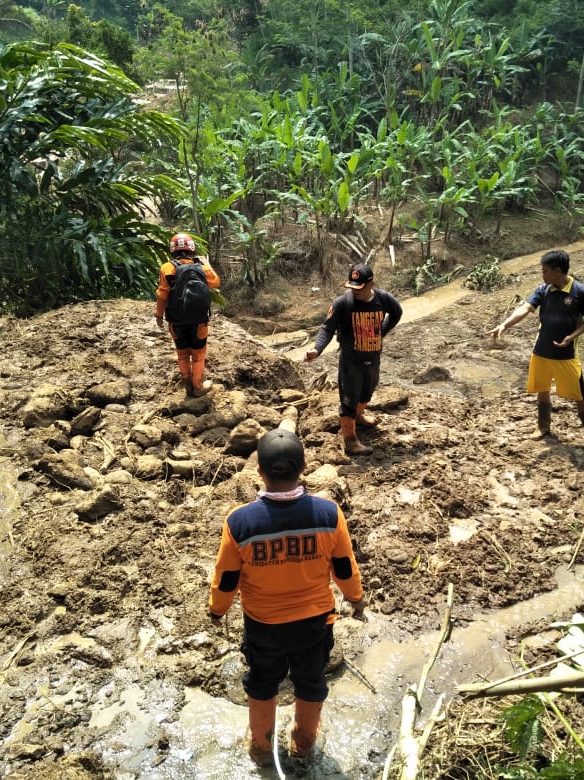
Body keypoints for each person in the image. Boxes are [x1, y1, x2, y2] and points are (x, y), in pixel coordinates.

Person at [208, 428, 366, 767]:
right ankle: (303, 744)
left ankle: (261, 747)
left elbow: (227, 578)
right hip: (313, 624)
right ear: (303, 467)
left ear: (260, 473)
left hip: (264, 625)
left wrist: (217, 611)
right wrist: (356, 599)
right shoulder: (328, 514)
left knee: (263, 681)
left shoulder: (239, 522)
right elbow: (343, 567)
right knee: (311, 680)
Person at [486, 249, 584, 453]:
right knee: (542, 389)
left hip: (566, 355)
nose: (542, 274)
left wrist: (572, 337)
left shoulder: (581, 292)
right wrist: (504, 325)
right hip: (541, 350)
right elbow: (524, 308)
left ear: (558, 271)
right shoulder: (543, 289)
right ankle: (543, 426)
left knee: (579, 396)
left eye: (545, 270)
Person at [305, 264, 403, 456]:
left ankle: (358, 417)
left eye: (359, 288)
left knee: (367, 392)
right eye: (352, 287)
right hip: (351, 360)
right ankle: (350, 440)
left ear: (370, 283)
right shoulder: (342, 304)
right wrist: (317, 349)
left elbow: (397, 313)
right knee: (349, 399)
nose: (354, 292)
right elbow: (327, 328)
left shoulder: (383, 299)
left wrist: (382, 331)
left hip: (373, 357)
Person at [154, 232, 221, 397]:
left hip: (176, 320)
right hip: (199, 320)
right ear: (192, 249)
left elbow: (162, 295)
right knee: (198, 355)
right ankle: (198, 387)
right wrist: (206, 263)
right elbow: (215, 282)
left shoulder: (167, 268)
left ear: (173, 250)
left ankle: (188, 387)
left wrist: (159, 315)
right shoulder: (201, 267)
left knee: (182, 354)